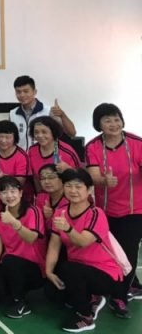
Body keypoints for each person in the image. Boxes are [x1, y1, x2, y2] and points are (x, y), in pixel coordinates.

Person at [45, 168, 128, 330]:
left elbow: (83, 241)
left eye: (78, 186)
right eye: (68, 186)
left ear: (89, 189)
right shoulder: (60, 213)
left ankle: (86, 316)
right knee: (53, 293)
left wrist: (68, 228)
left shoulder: (96, 214)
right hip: (80, 271)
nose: (73, 191)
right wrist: (48, 272)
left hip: (106, 274)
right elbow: (54, 245)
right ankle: (93, 298)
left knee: (69, 269)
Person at [85, 103, 142, 302]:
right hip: (105, 211)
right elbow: (92, 177)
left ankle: (121, 295)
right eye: (107, 120)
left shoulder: (137, 143)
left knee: (128, 252)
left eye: (117, 119)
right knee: (109, 252)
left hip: (134, 210)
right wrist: (103, 181)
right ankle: (125, 284)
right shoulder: (92, 146)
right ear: (98, 124)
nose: (113, 124)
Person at [0, 176, 46, 319]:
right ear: (0, 196)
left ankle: (19, 302)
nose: (10, 196)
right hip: (9, 265)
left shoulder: (33, 211)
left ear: (20, 193)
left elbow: (31, 238)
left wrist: (14, 222)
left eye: (13, 191)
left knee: (11, 260)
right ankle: (11, 291)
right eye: (4, 192)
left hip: (34, 269)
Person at [8, 75, 76, 150]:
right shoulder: (12, 114)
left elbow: (72, 133)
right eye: (18, 92)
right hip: (22, 159)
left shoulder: (48, 111)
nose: (22, 95)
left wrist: (63, 115)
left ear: (34, 92)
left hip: (44, 157)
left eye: (26, 91)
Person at [28, 116, 81, 194]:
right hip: (44, 195)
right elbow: (36, 178)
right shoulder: (32, 150)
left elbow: (81, 177)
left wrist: (68, 169)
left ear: (53, 132)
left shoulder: (67, 151)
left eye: (44, 132)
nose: (40, 135)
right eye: (36, 132)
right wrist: (40, 196)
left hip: (67, 196)